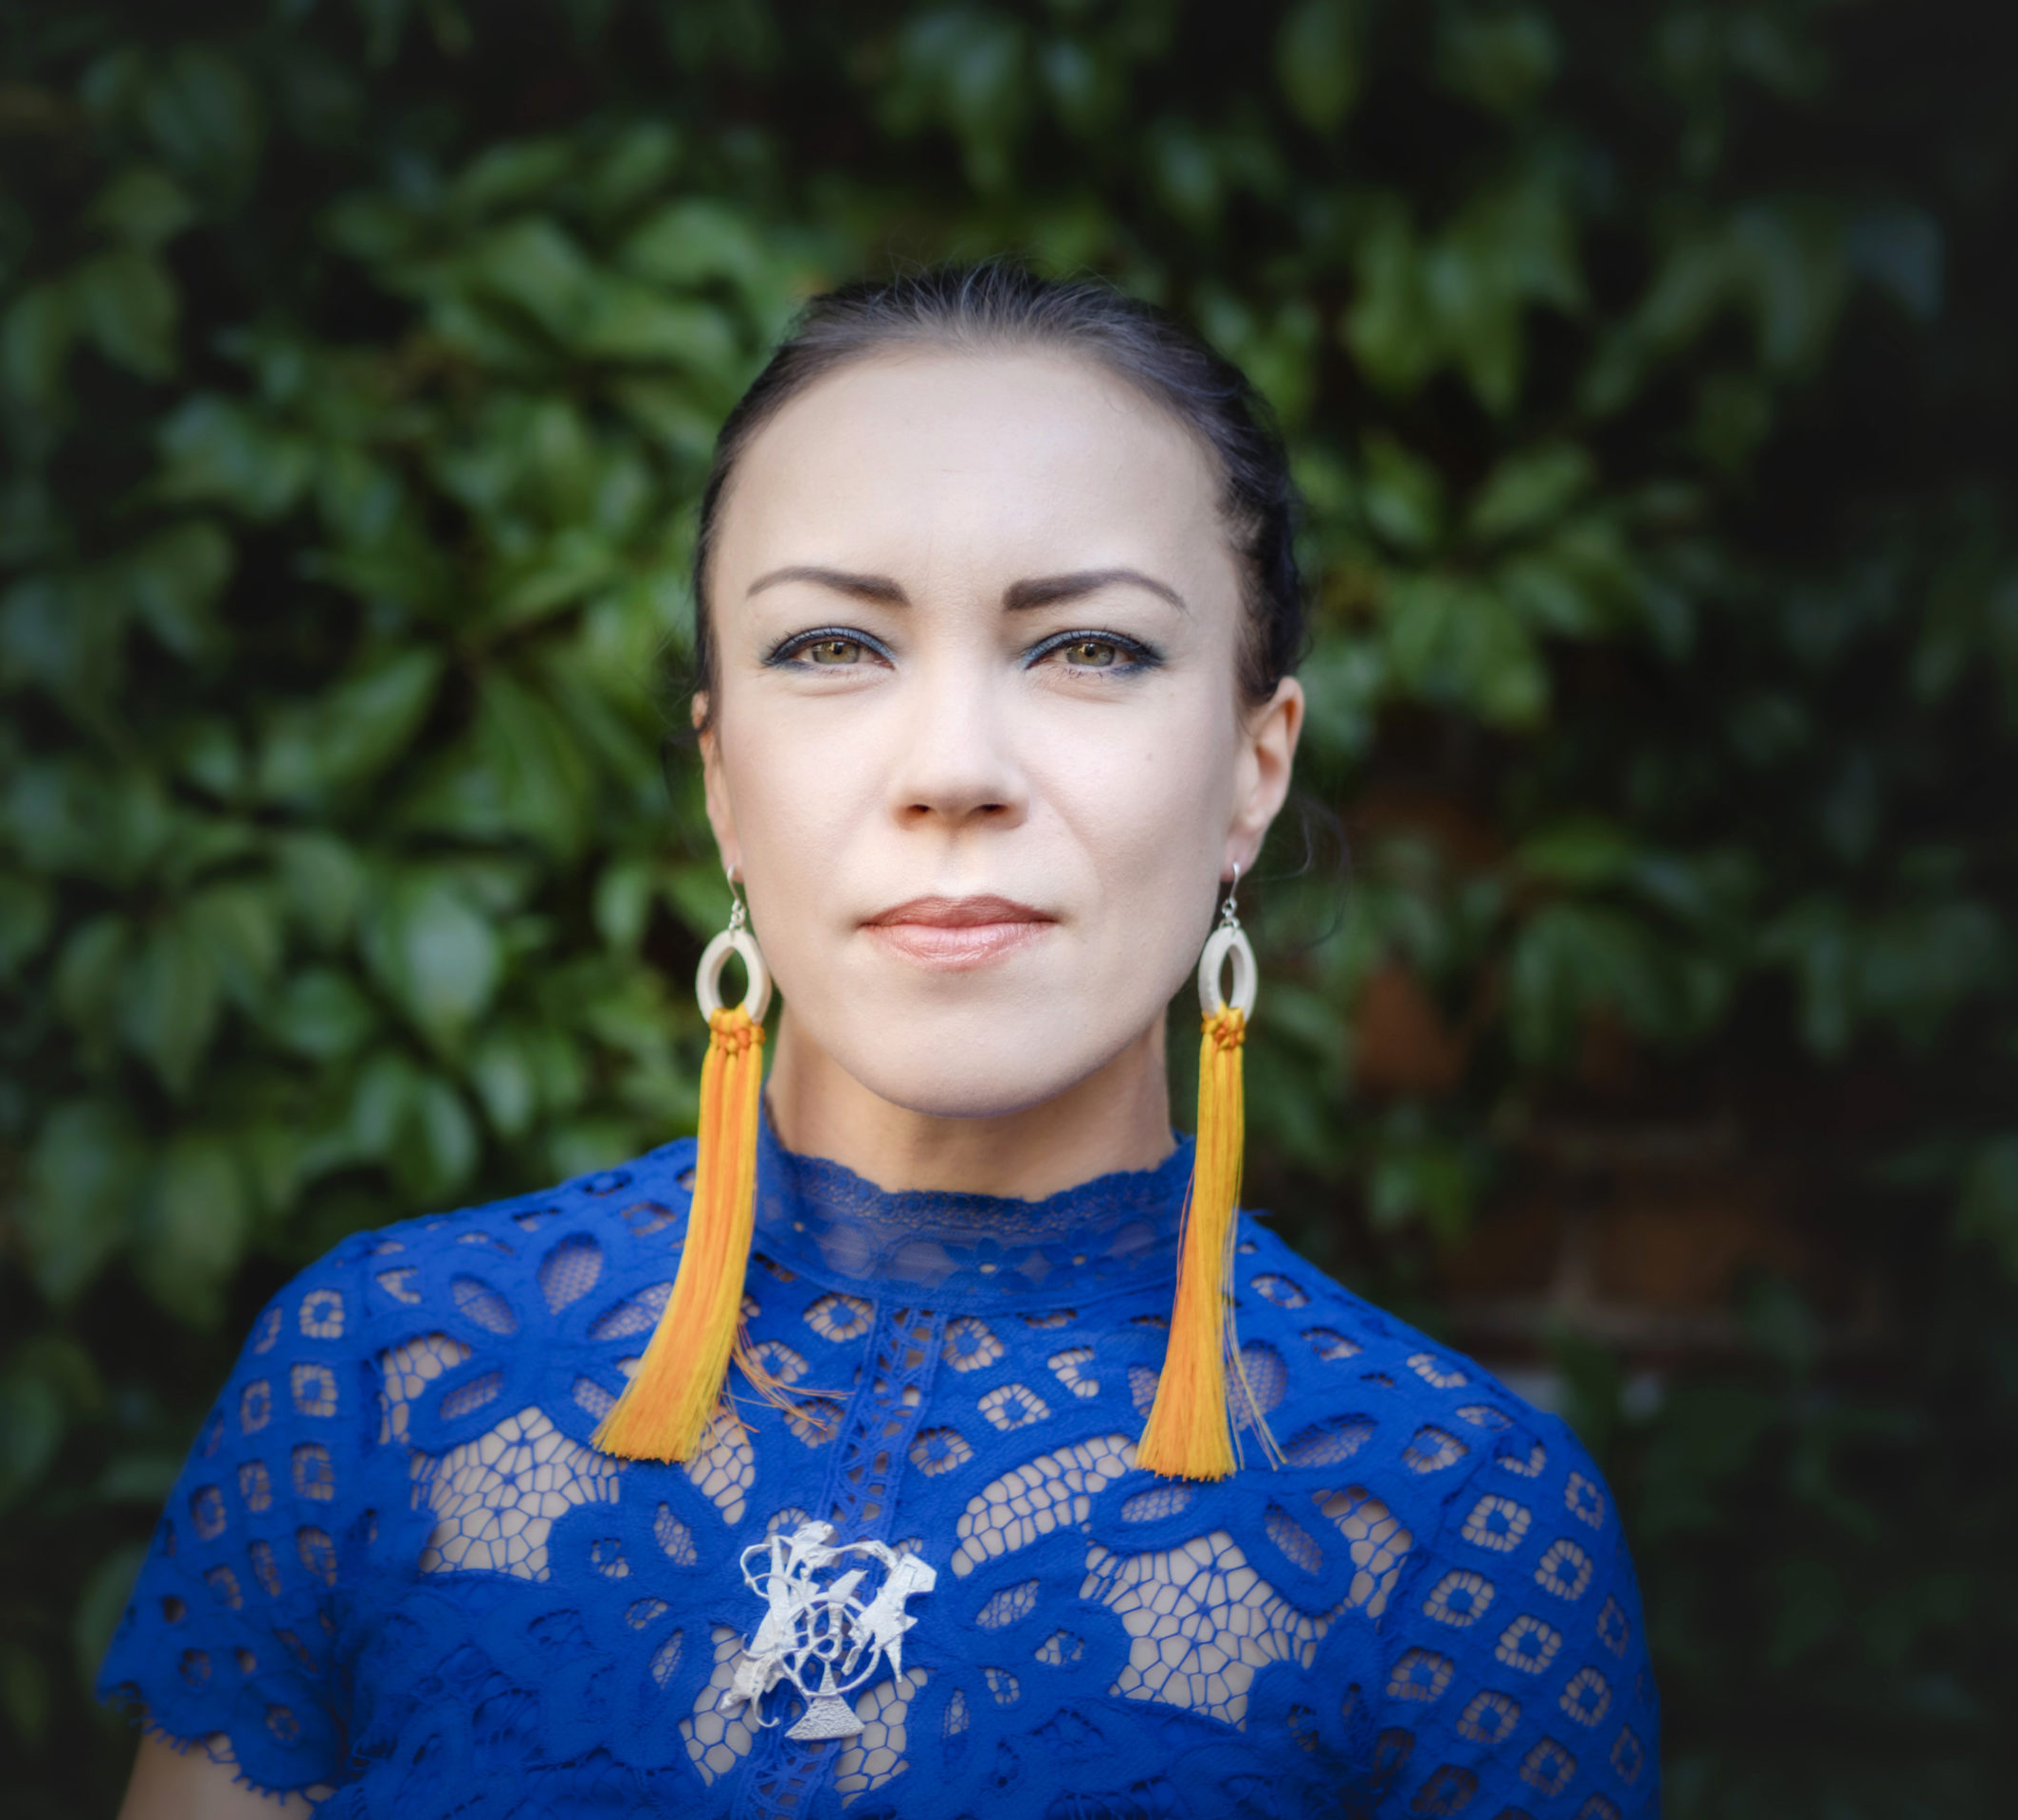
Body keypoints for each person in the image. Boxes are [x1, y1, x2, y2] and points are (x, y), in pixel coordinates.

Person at [103, 264, 1658, 1819]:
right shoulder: (380, 1376)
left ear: (1255, 771)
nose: (954, 769)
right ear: (722, 778)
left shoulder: (1456, 1527)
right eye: (832, 646)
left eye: (1091, 648)